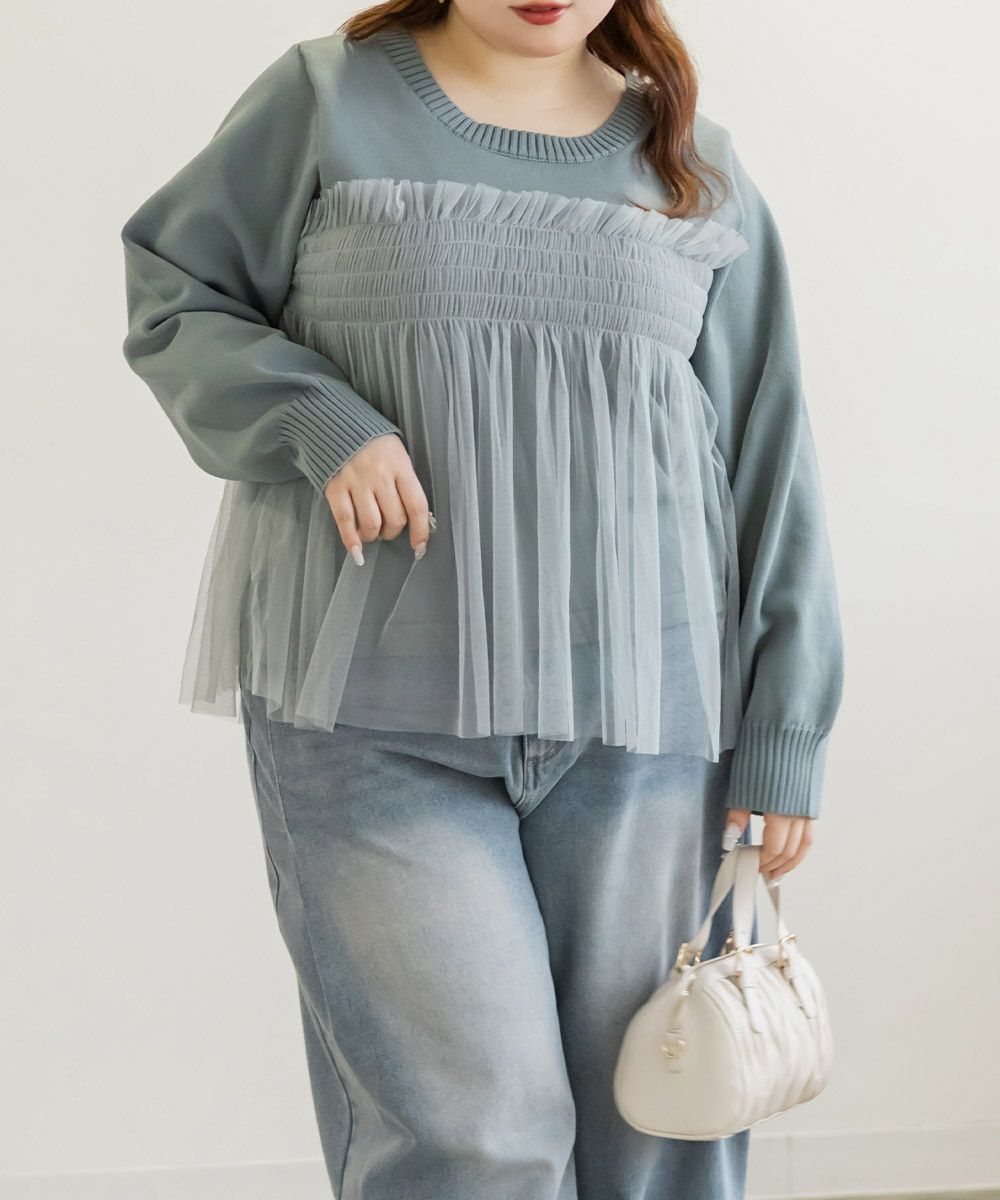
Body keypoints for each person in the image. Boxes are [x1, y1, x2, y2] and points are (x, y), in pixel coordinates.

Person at [119, 3, 844, 1196]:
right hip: (369, 717)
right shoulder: (324, 100)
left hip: (645, 726)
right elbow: (175, 294)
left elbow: (767, 458)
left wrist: (786, 727)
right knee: (473, 1138)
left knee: (659, 1129)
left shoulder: (691, 161)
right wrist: (318, 416)